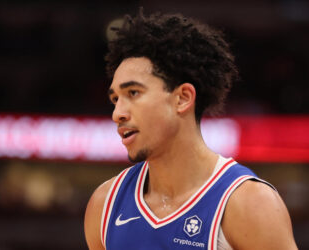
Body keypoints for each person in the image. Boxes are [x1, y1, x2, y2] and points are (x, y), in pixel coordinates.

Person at [84, 9, 298, 250]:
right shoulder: (105, 205)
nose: (117, 113)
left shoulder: (248, 203)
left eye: (133, 93)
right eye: (115, 99)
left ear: (183, 98)